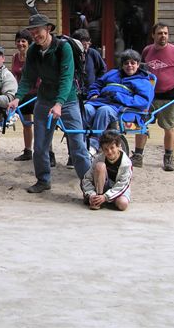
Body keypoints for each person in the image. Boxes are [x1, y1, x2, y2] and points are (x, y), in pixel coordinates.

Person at [8, 14, 91, 193]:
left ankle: (88, 183)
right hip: (44, 99)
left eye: (38, 31)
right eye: (32, 31)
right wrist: (17, 98)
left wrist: (60, 103)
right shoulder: (32, 51)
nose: (35, 35)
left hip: (67, 100)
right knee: (40, 146)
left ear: (48, 29)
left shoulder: (64, 48)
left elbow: (66, 78)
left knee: (77, 145)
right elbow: (28, 77)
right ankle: (43, 180)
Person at [133, 22, 174, 172]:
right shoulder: (147, 51)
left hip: (170, 97)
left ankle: (168, 158)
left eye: (165, 33)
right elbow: (140, 71)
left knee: (169, 128)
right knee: (142, 125)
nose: (163, 36)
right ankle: (138, 156)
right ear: (153, 35)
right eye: (160, 33)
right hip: (149, 96)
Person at [84, 49, 154, 153]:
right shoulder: (113, 74)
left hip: (123, 109)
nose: (129, 65)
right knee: (85, 109)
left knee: (104, 111)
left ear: (138, 64)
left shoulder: (142, 81)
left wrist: (117, 96)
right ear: (122, 65)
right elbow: (97, 84)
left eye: (133, 63)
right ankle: (81, 140)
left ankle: (94, 143)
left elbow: (143, 101)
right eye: (126, 63)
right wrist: (94, 93)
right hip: (100, 101)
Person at [81, 130, 132, 211]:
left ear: (118, 146)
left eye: (112, 148)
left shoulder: (126, 163)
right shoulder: (99, 159)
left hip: (117, 187)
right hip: (101, 186)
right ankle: (97, 199)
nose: (109, 152)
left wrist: (106, 197)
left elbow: (123, 184)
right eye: (106, 149)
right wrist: (91, 194)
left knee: (123, 204)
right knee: (100, 166)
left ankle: (106, 200)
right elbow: (87, 178)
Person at [10, 30, 38, 161]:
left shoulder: (35, 56)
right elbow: (13, 76)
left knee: (40, 124)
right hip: (22, 95)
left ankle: (47, 153)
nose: (20, 43)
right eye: (18, 41)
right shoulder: (15, 57)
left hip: (37, 94)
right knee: (26, 125)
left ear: (29, 43)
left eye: (23, 41)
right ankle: (28, 151)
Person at [71, 28, 106, 94]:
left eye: (88, 44)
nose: (87, 47)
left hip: (91, 92)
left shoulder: (93, 53)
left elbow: (103, 69)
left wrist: (97, 84)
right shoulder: (71, 54)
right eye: (84, 44)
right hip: (75, 93)